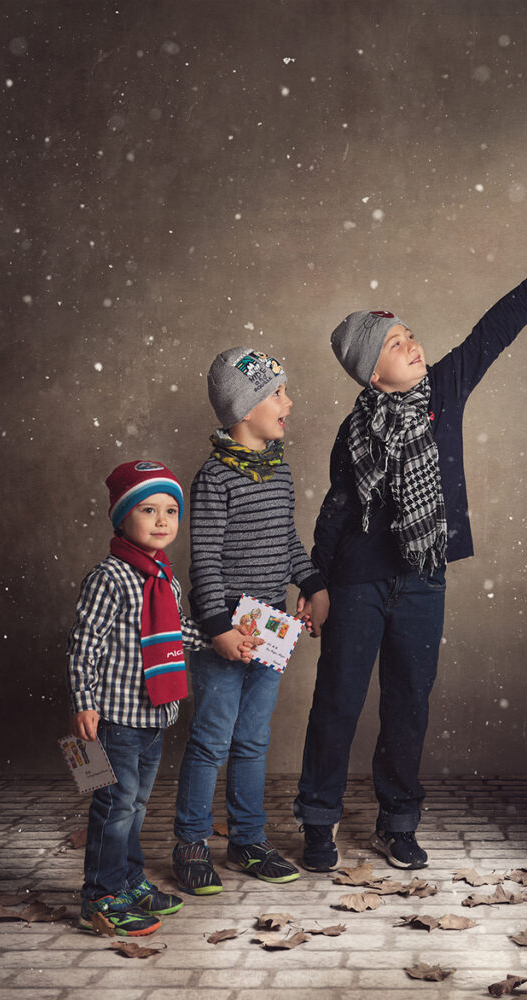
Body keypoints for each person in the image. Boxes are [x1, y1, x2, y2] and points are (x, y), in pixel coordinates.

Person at [293, 225, 527, 872]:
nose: (412, 345)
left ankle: (399, 822)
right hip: (356, 581)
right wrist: (314, 583)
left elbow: (493, 330)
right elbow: (338, 506)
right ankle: (319, 821)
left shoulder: (443, 394)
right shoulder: (354, 430)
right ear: (373, 371)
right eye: (395, 345)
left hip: (423, 577)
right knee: (338, 701)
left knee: (408, 704)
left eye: (410, 334)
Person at [172, 347, 324, 895]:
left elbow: (285, 542)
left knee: (253, 740)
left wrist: (312, 583)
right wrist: (217, 628)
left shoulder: (278, 471)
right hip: (226, 633)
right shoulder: (214, 479)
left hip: (271, 627)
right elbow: (203, 561)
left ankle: (247, 840)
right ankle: (190, 842)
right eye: (278, 393)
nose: (289, 402)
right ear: (245, 408)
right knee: (211, 740)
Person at [68, 460, 225, 936]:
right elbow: (84, 643)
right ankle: (99, 895)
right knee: (113, 806)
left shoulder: (166, 580)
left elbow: (176, 634)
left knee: (136, 805)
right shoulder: (110, 577)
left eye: (171, 511)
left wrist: (226, 639)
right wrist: (84, 700)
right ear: (121, 519)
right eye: (149, 510)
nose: (162, 521)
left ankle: (129, 879)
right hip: (116, 718)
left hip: (155, 713)